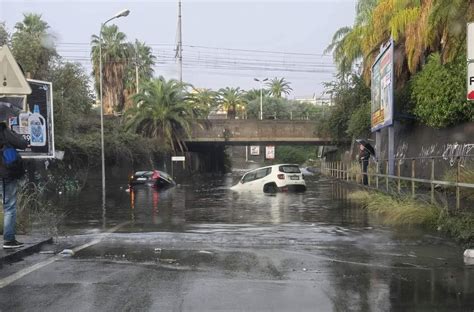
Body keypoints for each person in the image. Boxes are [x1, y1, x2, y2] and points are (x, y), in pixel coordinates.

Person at [0, 114, 28, 249]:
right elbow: (23, 144)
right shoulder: (4, 131)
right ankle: (9, 240)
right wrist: (14, 133)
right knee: (9, 207)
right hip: (6, 175)